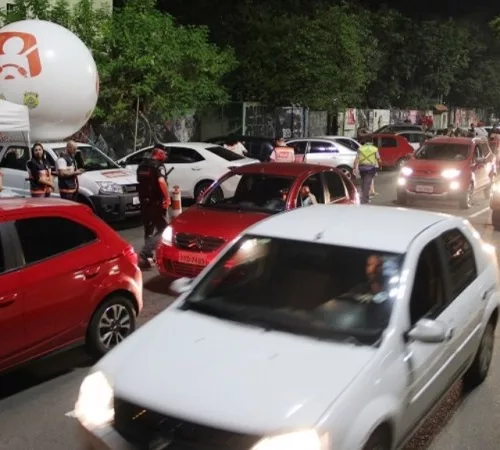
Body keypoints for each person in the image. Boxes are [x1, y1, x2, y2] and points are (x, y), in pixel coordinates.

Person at [136, 147, 171, 268]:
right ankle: (145, 253)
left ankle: (147, 258)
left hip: (144, 202)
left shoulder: (142, 165)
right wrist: (167, 198)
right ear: (159, 154)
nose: (166, 156)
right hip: (156, 203)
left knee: (149, 229)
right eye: (165, 153)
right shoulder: (158, 166)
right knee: (164, 230)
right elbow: (161, 181)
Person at [354, 137, 382, 204]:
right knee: (367, 184)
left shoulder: (360, 148)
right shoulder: (375, 149)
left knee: (363, 182)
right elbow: (379, 159)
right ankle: (365, 200)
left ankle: (363, 197)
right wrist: (380, 166)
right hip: (370, 168)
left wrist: (354, 168)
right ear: (371, 142)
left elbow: (356, 160)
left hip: (362, 168)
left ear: (365, 142)